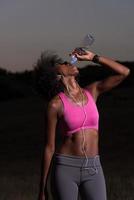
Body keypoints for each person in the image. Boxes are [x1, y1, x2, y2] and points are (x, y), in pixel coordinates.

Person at [37, 49, 130, 200]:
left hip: (94, 168)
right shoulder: (55, 105)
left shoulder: (91, 91)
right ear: (56, 76)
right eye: (61, 64)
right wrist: (42, 189)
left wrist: (93, 57)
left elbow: (124, 72)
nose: (67, 62)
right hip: (66, 169)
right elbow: (49, 147)